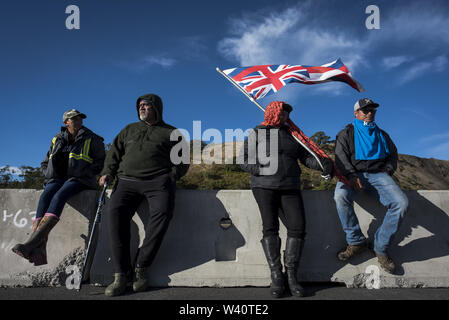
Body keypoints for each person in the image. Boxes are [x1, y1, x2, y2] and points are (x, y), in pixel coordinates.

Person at [240, 101, 334, 298]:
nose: (285, 117)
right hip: (264, 186)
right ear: (273, 113)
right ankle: (276, 276)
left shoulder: (292, 134)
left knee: (298, 227)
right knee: (270, 227)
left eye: (287, 114)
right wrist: (261, 170)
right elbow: (244, 159)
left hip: (290, 185)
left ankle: (291, 275)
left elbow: (305, 158)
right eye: (282, 113)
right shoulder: (256, 133)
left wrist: (323, 165)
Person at [99, 93, 189, 297]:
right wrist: (107, 172)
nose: (142, 108)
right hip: (126, 182)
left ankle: (141, 267)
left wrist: (172, 176)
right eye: (140, 105)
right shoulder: (129, 130)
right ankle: (121, 275)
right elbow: (114, 153)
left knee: (162, 216)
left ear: (156, 108)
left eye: (146, 105)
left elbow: (182, 160)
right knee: (115, 218)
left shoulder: (171, 132)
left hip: (158, 182)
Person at [12, 109, 105, 266]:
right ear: (65, 122)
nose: (78, 121)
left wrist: (86, 172)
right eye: (73, 119)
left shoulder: (93, 139)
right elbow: (45, 161)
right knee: (46, 194)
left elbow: (100, 162)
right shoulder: (57, 138)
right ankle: (38, 247)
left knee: (59, 196)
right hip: (57, 178)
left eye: (79, 118)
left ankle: (31, 242)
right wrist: (48, 173)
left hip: (80, 179)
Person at [333, 98, 408, 274]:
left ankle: (380, 247)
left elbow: (393, 155)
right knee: (340, 196)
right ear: (356, 113)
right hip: (353, 174)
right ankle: (355, 240)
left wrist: (388, 171)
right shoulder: (346, 133)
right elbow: (340, 157)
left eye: (372, 110)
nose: (369, 113)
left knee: (401, 203)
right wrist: (351, 176)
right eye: (365, 110)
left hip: (378, 175)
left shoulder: (382, 134)